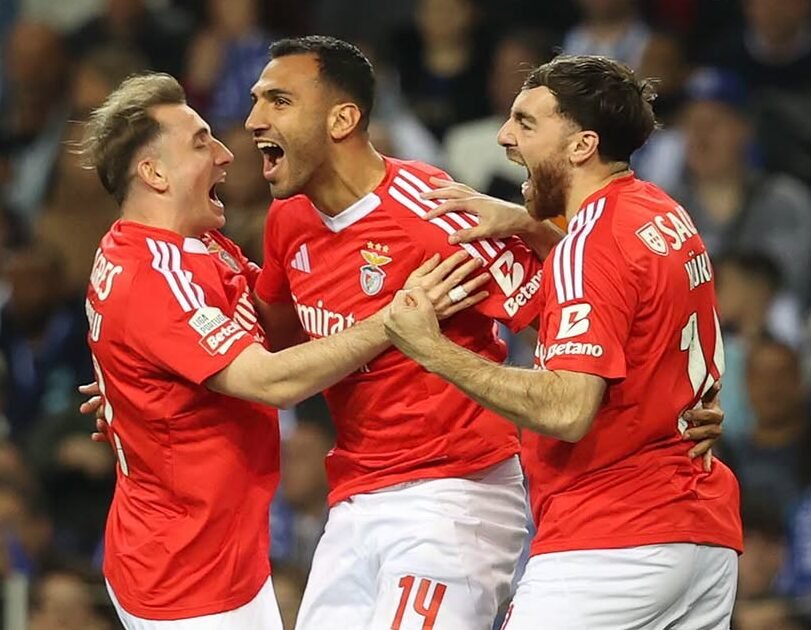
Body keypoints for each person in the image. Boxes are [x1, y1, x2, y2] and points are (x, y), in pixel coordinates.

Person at [243, 36, 726, 630]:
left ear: (342, 119)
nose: (253, 119)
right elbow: (270, 345)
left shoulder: (438, 216)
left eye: (279, 101)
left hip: (457, 494)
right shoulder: (288, 220)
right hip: (353, 498)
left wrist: (669, 396)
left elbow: (575, 314)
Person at [81, 72, 488, 629]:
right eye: (200, 143)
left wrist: (133, 388)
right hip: (184, 577)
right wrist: (395, 321)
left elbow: (262, 321)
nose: (226, 154)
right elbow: (272, 381)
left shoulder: (195, 245)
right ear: (154, 173)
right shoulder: (152, 275)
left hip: (214, 551)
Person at [384, 54, 743, 629]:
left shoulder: (589, 245)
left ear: (582, 146)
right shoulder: (662, 212)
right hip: (701, 537)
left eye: (526, 123)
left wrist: (431, 349)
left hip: (612, 539)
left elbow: (567, 410)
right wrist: (531, 224)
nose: (504, 136)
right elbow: (632, 304)